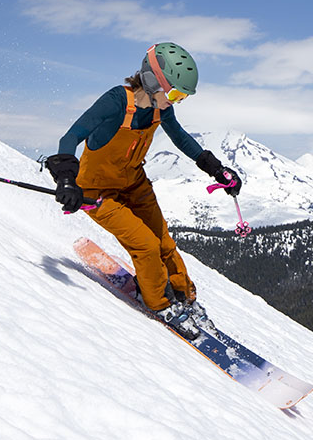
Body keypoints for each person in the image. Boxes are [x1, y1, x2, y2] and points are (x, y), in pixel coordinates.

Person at [45, 42, 241, 339]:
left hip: (135, 184)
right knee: (146, 245)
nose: (177, 101)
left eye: (183, 97)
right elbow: (70, 136)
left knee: (163, 242)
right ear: (152, 82)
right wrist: (67, 181)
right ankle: (161, 304)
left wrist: (216, 169)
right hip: (97, 193)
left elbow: (182, 139)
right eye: (175, 93)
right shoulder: (115, 102)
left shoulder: (160, 110)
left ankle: (183, 295)